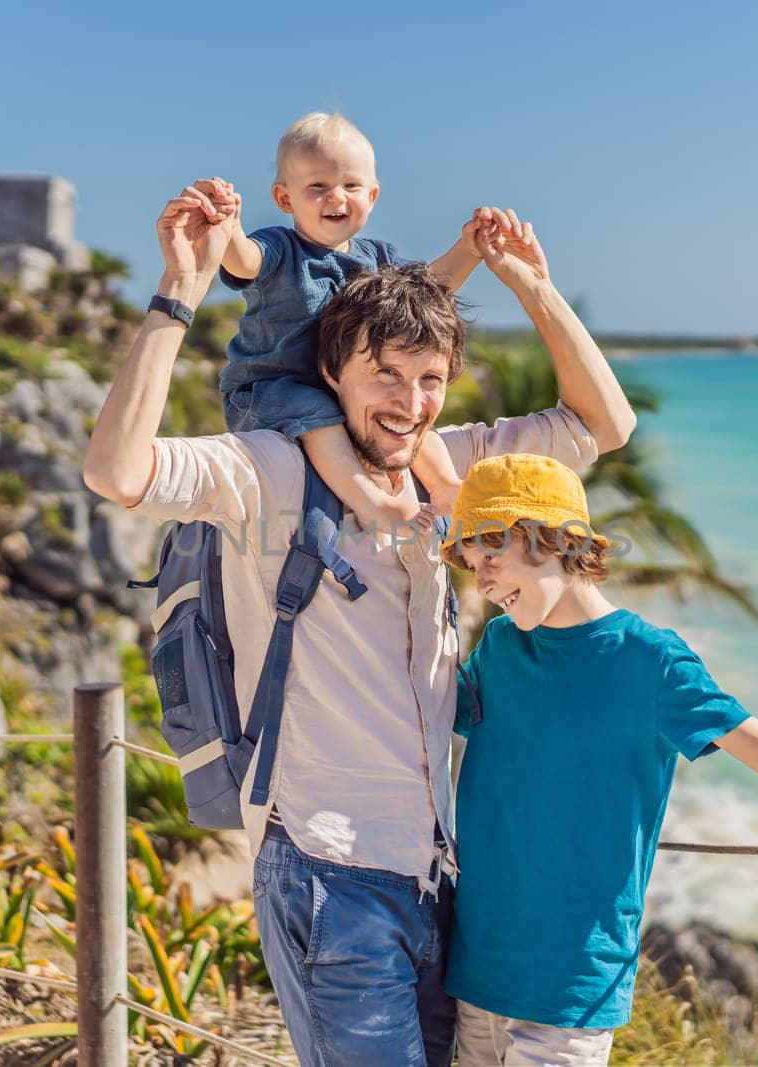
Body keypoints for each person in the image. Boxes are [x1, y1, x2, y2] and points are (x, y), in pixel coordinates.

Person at [82, 180, 636, 1067]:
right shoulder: (269, 469)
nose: (408, 401)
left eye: (428, 380)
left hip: (438, 877)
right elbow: (117, 470)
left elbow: (603, 424)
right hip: (325, 870)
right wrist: (177, 290)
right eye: (384, 372)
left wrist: (533, 284)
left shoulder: (450, 464)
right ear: (331, 370)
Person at [442, 453, 758, 1066]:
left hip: (574, 981)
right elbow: (432, 711)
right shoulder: (503, 646)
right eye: (474, 565)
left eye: (493, 557)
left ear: (555, 541)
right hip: (479, 961)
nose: (481, 581)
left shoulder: (653, 661)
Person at [198, 112, 488, 527]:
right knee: (319, 413)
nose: (337, 197)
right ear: (285, 199)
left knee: (404, 410)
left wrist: (470, 248)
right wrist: (229, 229)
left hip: (350, 388)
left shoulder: (377, 257)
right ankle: (372, 503)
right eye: (318, 187)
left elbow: (431, 288)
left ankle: (444, 485)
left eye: (351, 186)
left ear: (372, 195)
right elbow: (245, 262)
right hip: (271, 391)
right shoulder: (282, 249)